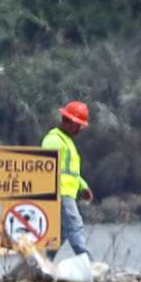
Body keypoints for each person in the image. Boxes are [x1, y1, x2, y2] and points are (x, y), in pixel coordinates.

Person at [42, 99, 93, 257]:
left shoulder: (67, 141)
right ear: (67, 121)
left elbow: (70, 172)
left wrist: (83, 186)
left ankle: (43, 264)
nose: (79, 129)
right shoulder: (53, 140)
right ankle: (89, 263)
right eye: (77, 125)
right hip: (60, 193)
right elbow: (47, 167)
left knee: (60, 233)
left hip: (67, 192)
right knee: (74, 226)